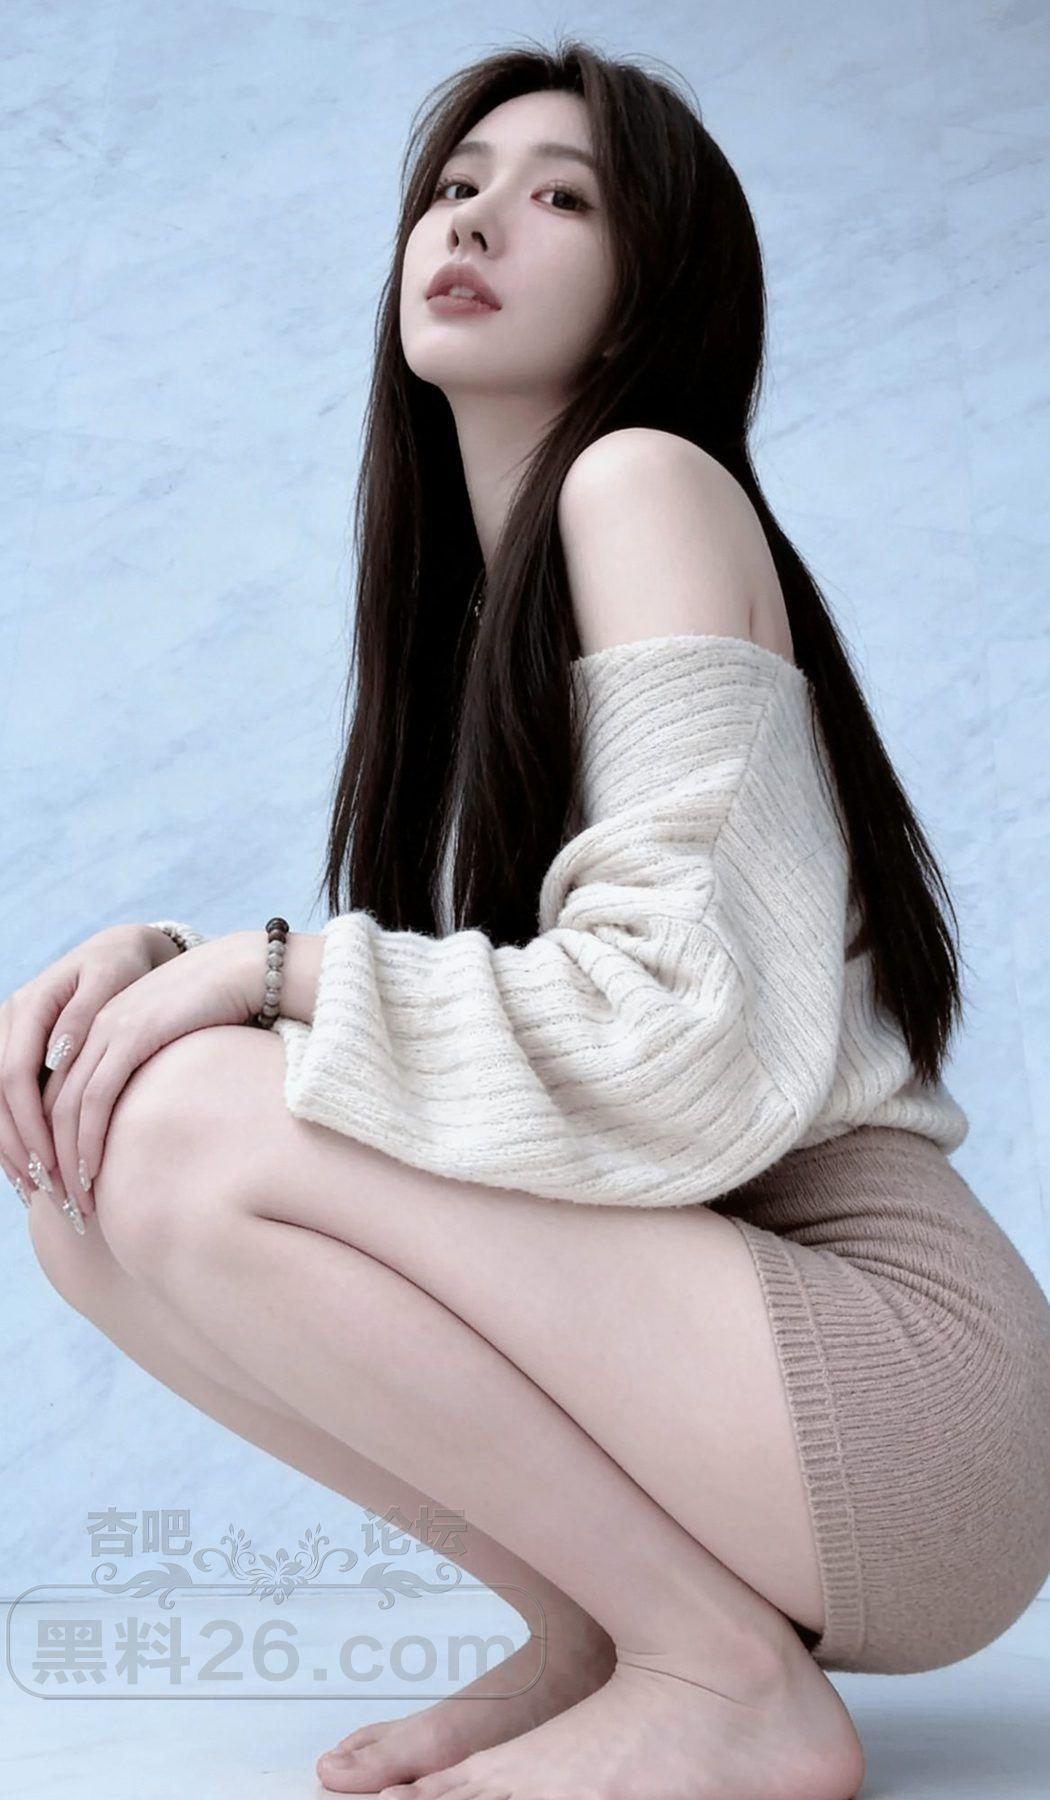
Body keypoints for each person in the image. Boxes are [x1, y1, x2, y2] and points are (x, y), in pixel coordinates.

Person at [6, 37, 1050, 1800]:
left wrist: (261, 974)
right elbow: (519, 1047)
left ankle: (717, 1673)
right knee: (87, 1187)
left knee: (179, 1121)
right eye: (453, 184)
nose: (475, 221)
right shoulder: (491, 598)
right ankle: (606, 1635)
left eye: (560, 195)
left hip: (897, 1390)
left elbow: (672, 1032)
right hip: (777, 1388)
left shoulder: (638, 479)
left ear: (658, 282)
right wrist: (172, 966)